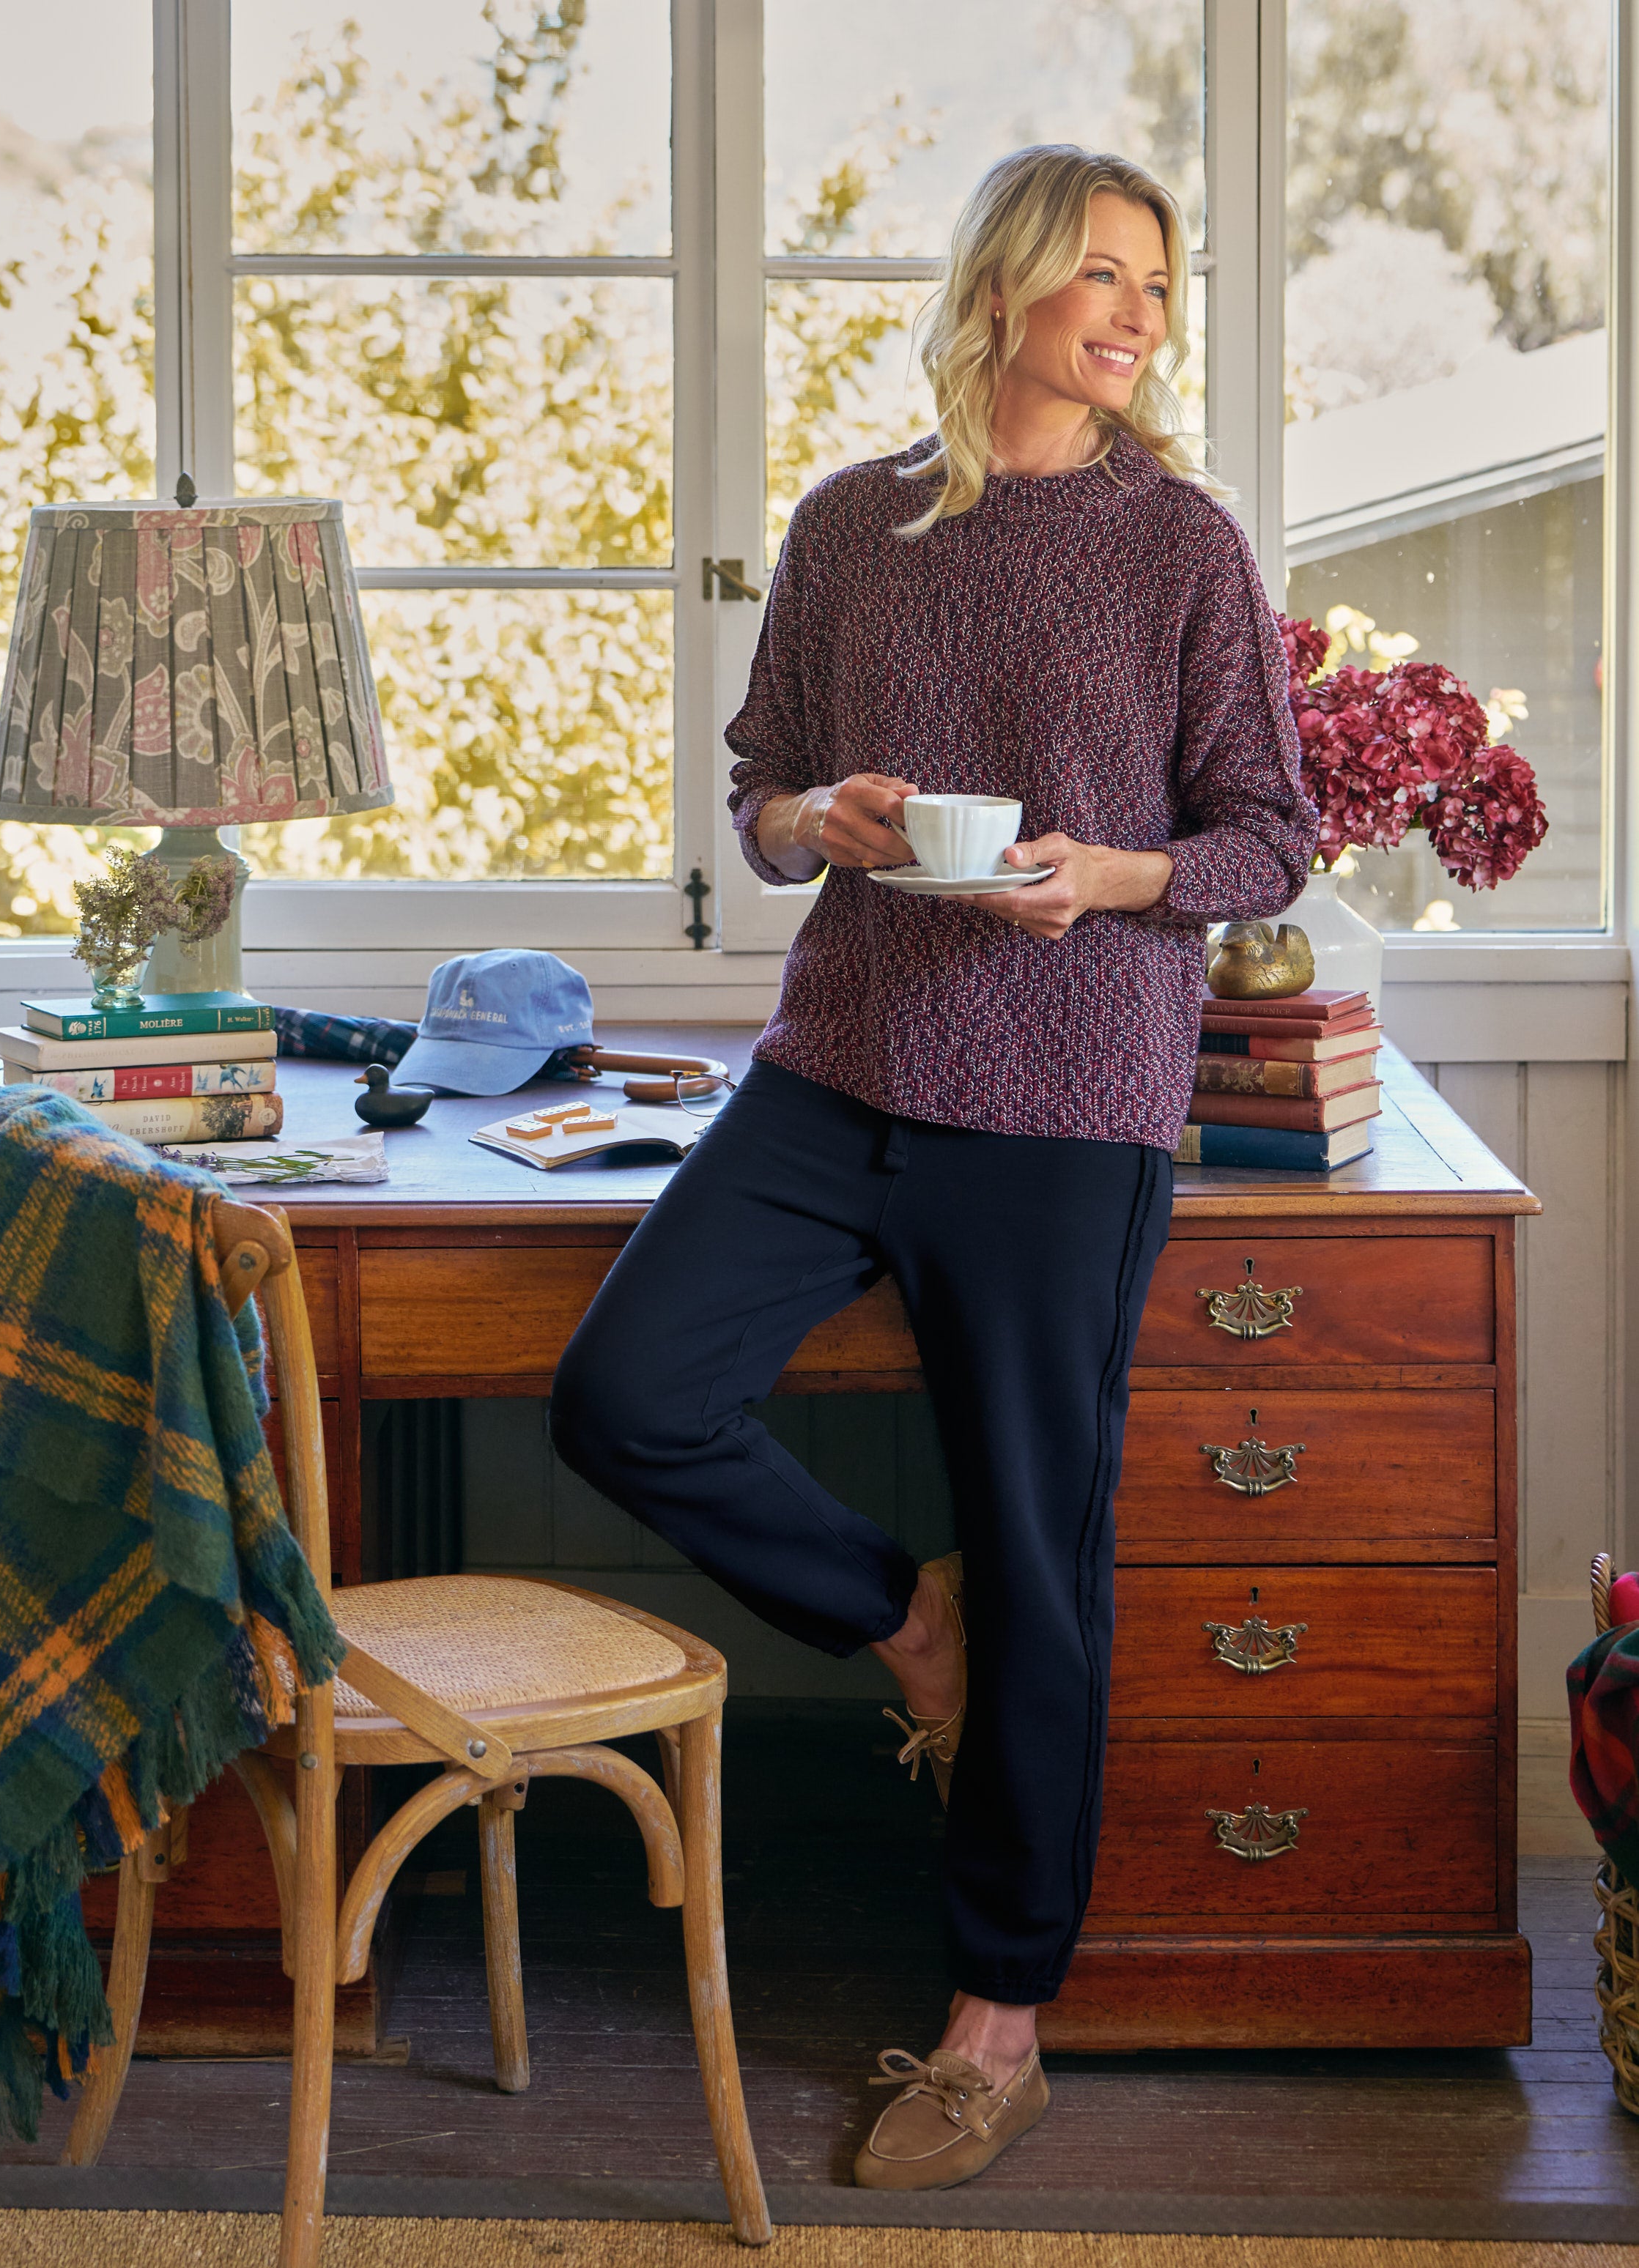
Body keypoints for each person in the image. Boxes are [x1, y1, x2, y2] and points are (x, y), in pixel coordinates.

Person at [550, 142, 1317, 2190]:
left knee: (1042, 1550)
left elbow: (1266, 835)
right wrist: (823, 823)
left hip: (1068, 1091)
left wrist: (1111, 878)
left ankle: (995, 2025)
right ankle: (909, 1625)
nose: (1139, 312)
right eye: (1102, 272)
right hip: (838, 1067)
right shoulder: (849, 523)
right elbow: (757, 795)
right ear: (1000, 289)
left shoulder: (1179, 542)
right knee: (626, 1394)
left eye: (1157, 280)